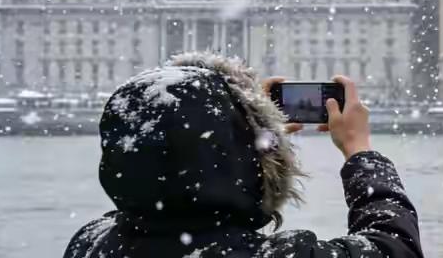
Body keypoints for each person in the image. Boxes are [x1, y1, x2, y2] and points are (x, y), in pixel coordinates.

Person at [63, 52, 424, 258]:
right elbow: (395, 247)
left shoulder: (89, 243)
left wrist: (239, 134)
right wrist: (359, 151)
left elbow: (167, 183)